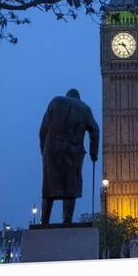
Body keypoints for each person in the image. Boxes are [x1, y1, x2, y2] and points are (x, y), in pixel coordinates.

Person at [39, 89, 99, 225]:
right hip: (73, 151)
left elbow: (43, 129)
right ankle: (67, 220)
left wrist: (43, 149)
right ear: (78, 98)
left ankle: (44, 221)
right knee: (71, 186)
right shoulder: (84, 108)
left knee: (49, 187)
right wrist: (93, 153)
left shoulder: (55, 101)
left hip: (51, 149)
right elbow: (95, 131)